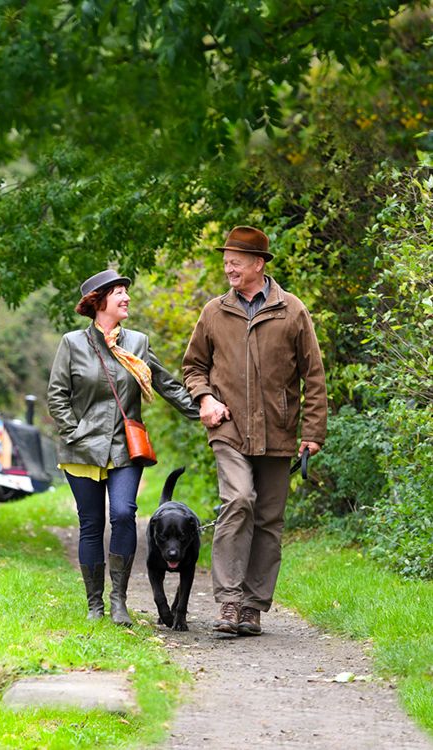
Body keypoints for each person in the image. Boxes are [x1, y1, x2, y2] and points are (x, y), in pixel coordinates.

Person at [182, 226, 327, 636]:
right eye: (226, 260)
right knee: (239, 499)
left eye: (236, 261)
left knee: (268, 520)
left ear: (258, 264)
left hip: (279, 431)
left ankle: (252, 607)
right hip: (228, 428)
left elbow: (313, 376)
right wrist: (205, 399)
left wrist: (313, 431)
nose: (228, 267)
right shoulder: (214, 311)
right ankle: (228, 602)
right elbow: (193, 366)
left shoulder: (292, 311)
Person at [49, 270, 200, 625]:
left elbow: (165, 383)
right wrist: (75, 431)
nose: (127, 298)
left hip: (125, 448)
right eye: (119, 292)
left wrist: (205, 411)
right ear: (98, 301)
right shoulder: (72, 344)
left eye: (126, 292)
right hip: (82, 450)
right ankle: (95, 606)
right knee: (90, 523)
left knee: (122, 514)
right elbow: (57, 395)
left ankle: (118, 601)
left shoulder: (138, 343)